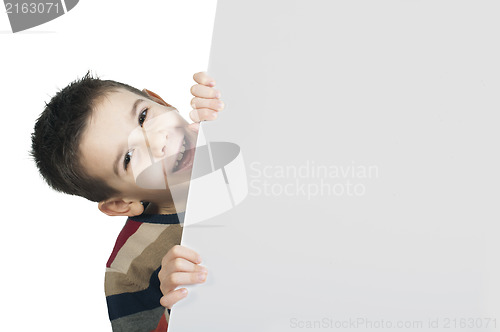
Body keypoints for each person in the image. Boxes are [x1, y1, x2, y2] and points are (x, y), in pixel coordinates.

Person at [31, 71, 224, 331]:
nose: (158, 140)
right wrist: (179, 311)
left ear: (160, 101)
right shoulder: (127, 273)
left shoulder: (225, 131)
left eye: (143, 116)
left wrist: (232, 103)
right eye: (129, 157)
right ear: (122, 203)